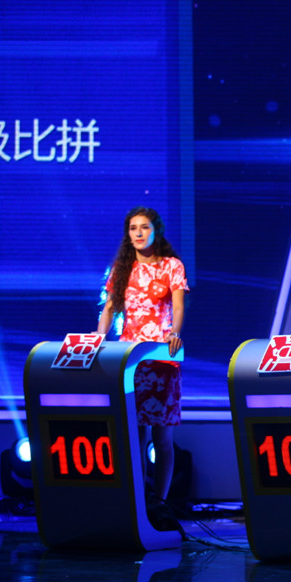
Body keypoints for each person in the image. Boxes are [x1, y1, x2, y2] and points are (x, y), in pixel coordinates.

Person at [97, 207, 188, 510]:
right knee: (134, 437)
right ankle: (135, 501)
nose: (138, 233)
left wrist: (174, 333)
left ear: (156, 230)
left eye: (144, 227)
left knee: (161, 438)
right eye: (133, 228)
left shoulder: (172, 266)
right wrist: (98, 337)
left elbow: (178, 306)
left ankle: (159, 502)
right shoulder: (122, 268)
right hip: (129, 363)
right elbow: (109, 308)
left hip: (160, 360)